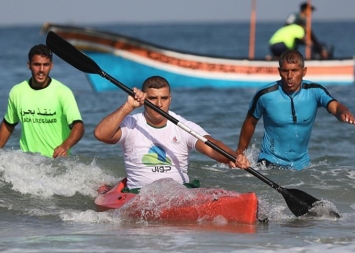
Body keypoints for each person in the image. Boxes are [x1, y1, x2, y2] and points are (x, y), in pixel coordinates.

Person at [94, 76, 249, 192]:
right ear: (144, 99)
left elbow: (211, 146)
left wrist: (232, 156)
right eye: (153, 98)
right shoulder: (131, 123)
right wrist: (128, 107)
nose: (159, 104)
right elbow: (101, 134)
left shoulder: (183, 126)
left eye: (164, 98)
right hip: (139, 195)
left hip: (179, 194)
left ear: (170, 99)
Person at [235, 50, 355, 171]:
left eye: (294, 71)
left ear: (304, 72)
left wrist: (344, 112)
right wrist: (240, 153)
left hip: (302, 166)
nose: (289, 76)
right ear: (279, 71)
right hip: (269, 163)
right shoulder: (265, 95)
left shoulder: (315, 91)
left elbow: (335, 106)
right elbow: (250, 122)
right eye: (285, 71)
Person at [0, 44, 85, 158]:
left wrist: (65, 146)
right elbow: (8, 124)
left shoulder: (63, 92)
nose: (41, 70)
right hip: (28, 162)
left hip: (55, 162)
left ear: (51, 66)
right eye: (37, 64)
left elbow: (79, 127)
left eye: (45, 65)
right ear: (29, 65)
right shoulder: (17, 91)